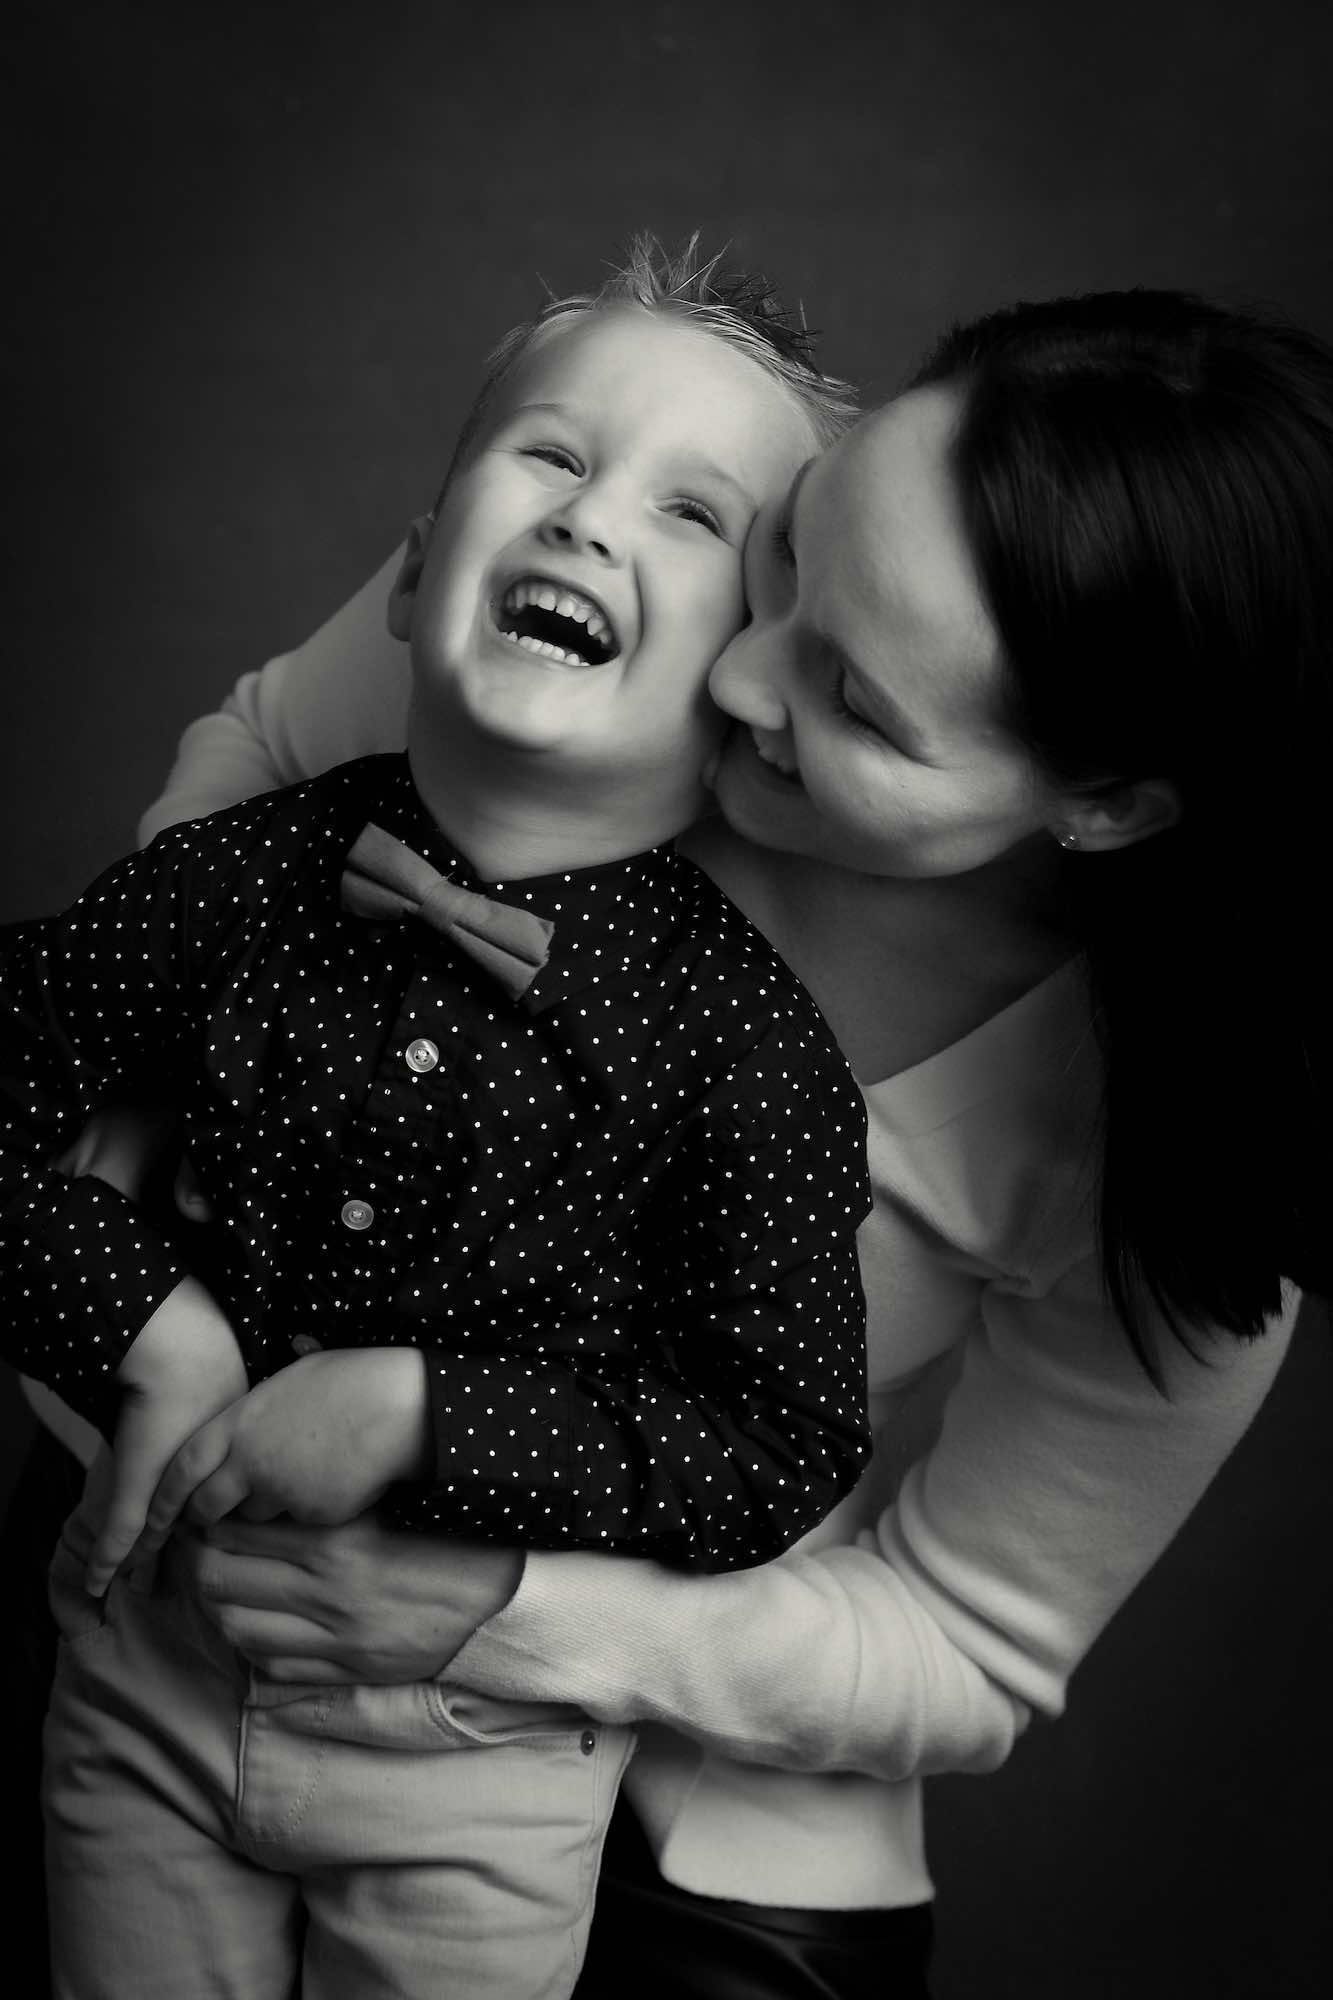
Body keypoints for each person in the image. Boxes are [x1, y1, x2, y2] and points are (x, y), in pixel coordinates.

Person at [28, 280, 1331, 1999]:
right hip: (180, 1576)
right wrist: (154, 1200)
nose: (734, 670)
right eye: (793, 550)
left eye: (856, 705)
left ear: (1101, 803)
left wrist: (512, 1610)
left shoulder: (1185, 1172)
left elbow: (967, 1648)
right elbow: (273, 759)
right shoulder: (626, 552)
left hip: (689, 1775)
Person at [0, 243, 877, 2000]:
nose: (588, 519)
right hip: (144, 1674)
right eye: (549, 454)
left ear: (746, 691)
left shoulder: (747, 1051)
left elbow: (778, 1440)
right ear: (412, 576)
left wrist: (427, 1412)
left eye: (690, 515)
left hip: (476, 1761)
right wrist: (145, 1326)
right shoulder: (229, 883)